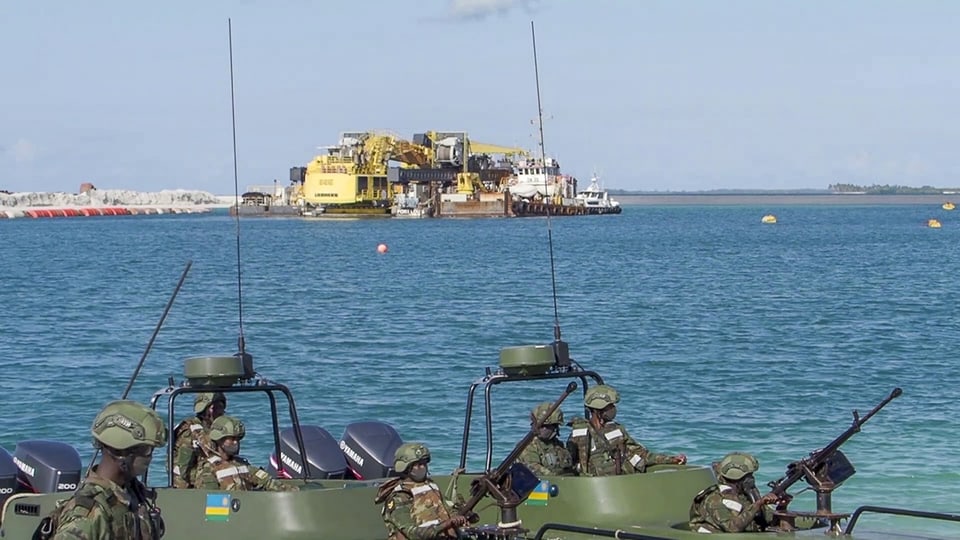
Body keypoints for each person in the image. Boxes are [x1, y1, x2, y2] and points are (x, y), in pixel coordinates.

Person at [47, 400, 167, 539]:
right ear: (122, 453)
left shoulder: (130, 493)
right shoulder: (88, 514)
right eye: (146, 450)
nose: (150, 457)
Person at [566, 384, 686, 476]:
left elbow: (640, 454)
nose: (613, 409)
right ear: (598, 409)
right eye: (610, 406)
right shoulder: (579, 435)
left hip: (622, 484)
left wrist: (671, 459)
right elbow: (569, 466)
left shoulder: (616, 430)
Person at [375, 442, 468, 539]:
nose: (422, 467)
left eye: (424, 463)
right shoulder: (399, 496)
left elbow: (447, 512)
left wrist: (462, 516)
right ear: (406, 468)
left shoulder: (431, 486)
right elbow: (411, 532)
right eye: (418, 464)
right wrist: (446, 524)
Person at [192, 415, 298, 491]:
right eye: (232, 439)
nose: (236, 443)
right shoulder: (208, 468)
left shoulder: (241, 464)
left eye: (238, 439)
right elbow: (207, 501)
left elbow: (267, 482)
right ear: (219, 439)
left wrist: (293, 491)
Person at [688, 452, 785, 533]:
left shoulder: (744, 496)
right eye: (749, 476)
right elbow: (732, 528)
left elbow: (766, 520)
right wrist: (758, 504)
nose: (752, 479)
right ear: (739, 477)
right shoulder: (714, 499)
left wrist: (782, 506)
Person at [171, 391, 226, 488]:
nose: (222, 413)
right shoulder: (189, 431)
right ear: (210, 409)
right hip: (186, 485)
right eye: (219, 408)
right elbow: (183, 468)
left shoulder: (213, 429)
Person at [519, 401, 574, 476]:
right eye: (539, 426)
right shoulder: (528, 446)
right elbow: (533, 467)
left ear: (555, 427)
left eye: (545, 426)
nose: (541, 429)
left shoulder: (558, 445)